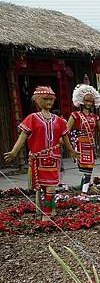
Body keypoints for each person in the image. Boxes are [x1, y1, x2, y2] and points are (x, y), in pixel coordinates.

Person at [3, 86, 78, 219]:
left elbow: (65, 138)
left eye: (51, 99)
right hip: (38, 158)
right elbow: (23, 136)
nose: (49, 102)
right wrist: (14, 151)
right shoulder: (32, 118)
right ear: (37, 100)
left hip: (53, 158)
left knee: (51, 188)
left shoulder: (59, 120)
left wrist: (71, 150)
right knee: (43, 187)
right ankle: (51, 209)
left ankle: (47, 215)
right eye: (45, 99)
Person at [65, 84, 100, 194]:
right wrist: (65, 142)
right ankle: (84, 191)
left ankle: (88, 187)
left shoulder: (95, 117)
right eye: (87, 101)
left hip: (91, 145)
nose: (89, 103)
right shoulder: (75, 115)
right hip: (80, 144)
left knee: (89, 168)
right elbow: (66, 130)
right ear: (81, 101)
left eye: (91, 101)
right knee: (87, 169)